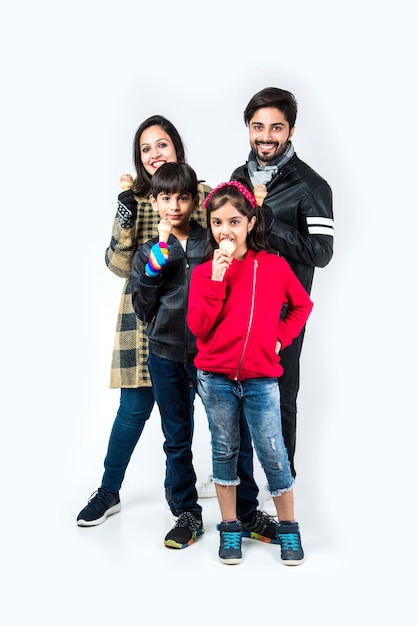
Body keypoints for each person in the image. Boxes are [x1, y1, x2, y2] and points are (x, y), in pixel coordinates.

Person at [77, 116, 211, 527]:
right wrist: (123, 212)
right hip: (142, 321)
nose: (154, 154)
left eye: (162, 145)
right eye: (145, 149)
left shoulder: (201, 193)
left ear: (177, 148)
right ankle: (109, 490)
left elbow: (214, 247)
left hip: (192, 324)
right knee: (132, 410)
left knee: (188, 414)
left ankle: (196, 496)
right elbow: (117, 264)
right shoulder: (134, 199)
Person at [187, 180, 313, 565]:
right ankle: (230, 529)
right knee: (224, 452)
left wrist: (279, 338)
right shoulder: (204, 272)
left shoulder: (273, 266)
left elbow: (302, 305)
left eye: (235, 221)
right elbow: (198, 328)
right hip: (217, 379)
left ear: (250, 222)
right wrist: (215, 282)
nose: (226, 230)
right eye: (218, 222)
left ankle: (289, 528)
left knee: (274, 453)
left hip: (261, 379)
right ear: (209, 225)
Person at [230, 87, 334, 514]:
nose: (266, 136)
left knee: (278, 395)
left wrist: (266, 222)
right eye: (258, 127)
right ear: (249, 129)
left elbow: (322, 253)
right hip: (237, 307)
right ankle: (235, 481)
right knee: (231, 392)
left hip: (282, 314)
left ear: (290, 129)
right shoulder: (238, 174)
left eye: (276, 127)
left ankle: (282, 485)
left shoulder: (312, 185)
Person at [131, 162, 206, 548]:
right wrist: (158, 260)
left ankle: (244, 509)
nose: (174, 205)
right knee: (177, 437)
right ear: (155, 201)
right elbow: (142, 308)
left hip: (210, 356)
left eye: (182, 197)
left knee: (233, 434)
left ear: (195, 200)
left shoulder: (209, 242)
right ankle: (186, 510)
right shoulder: (148, 252)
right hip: (164, 356)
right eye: (166, 197)